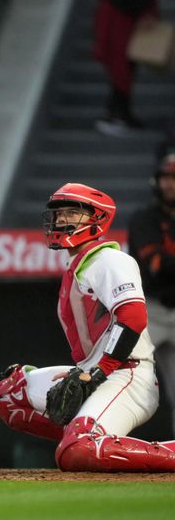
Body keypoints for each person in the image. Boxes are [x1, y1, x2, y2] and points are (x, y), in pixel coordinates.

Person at [0, 182, 175, 471]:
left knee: (76, 454)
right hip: (94, 372)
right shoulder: (77, 264)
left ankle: (85, 440)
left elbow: (133, 318)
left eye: (72, 212)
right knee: (6, 395)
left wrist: (100, 370)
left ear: (98, 218)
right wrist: (90, 371)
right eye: (59, 213)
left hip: (127, 375)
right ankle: (80, 436)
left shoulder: (109, 259)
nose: (61, 220)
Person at [129, 155, 175, 437]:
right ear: (157, 182)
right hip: (150, 311)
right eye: (167, 178)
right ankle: (93, 442)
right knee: (117, 375)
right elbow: (156, 265)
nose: (171, 185)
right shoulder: (144, 218)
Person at [93, 0, 158, 136]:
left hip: (123, 14)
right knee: (121, 67)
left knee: (125, 67)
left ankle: (121, 112)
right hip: (121, 17)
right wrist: (144, 12)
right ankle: (117, 113)